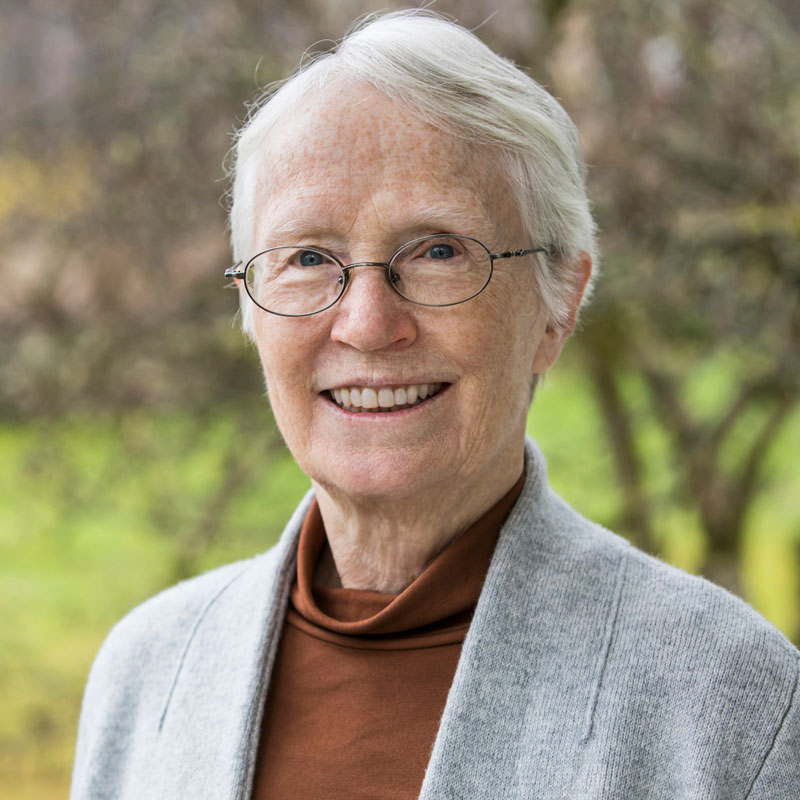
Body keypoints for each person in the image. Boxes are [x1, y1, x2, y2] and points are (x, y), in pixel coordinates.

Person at [70, 10, 799, 800]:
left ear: (558, 303)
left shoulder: (731, 706)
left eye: (440, 251)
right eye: (309, 258)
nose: (368, 325)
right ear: (250, 306)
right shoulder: (146, 677)